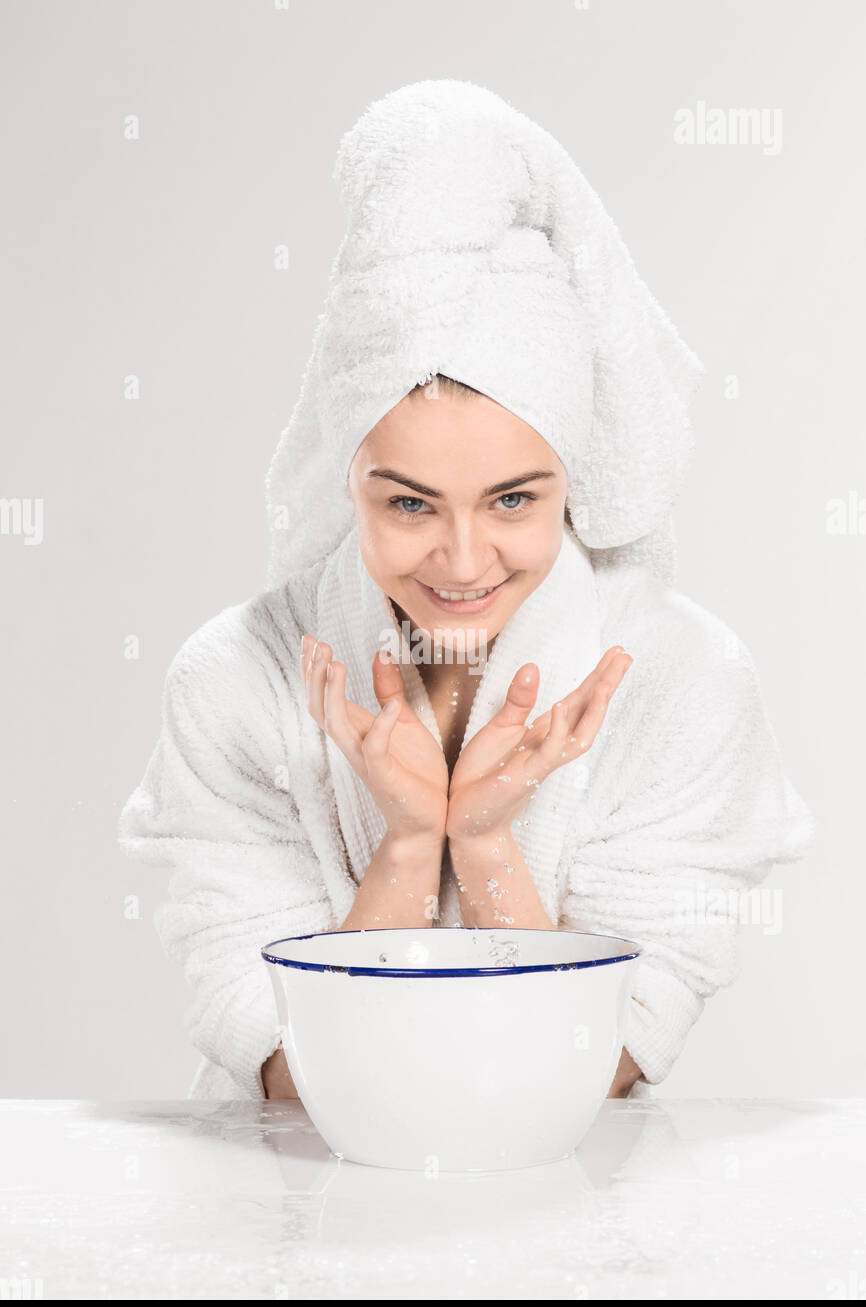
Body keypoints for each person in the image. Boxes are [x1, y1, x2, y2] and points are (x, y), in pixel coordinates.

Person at [117, 80, 815, 1106]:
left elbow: (603, 1066)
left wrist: (483, 845)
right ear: (343, 477)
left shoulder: (681, 682)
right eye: (406, 504)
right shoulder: (233, 681)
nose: (458, 558)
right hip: (290, 1217)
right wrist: (406, 849)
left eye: (510, 499)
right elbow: (287, 1075)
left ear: (570, 477)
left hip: (571, 1225)